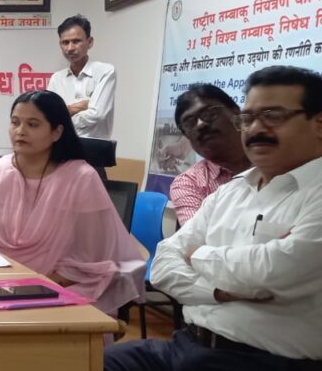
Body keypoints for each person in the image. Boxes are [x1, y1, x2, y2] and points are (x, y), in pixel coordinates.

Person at [104, 65, 322, 370]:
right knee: (89, 361)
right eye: (249, 118)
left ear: (318, 124)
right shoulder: (230, 192)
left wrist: (198, 255)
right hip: (187, 344)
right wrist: (218, 290)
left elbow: (277, 270)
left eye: (273, 116)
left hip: (262, 360)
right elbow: (165, 262)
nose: (256, 129)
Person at [0, 90, 143, 314]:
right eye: (15, 122)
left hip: (58, 287)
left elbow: (90, 258)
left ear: (56, 132)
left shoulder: (81, 178)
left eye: (33, 124)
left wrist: (35, 286)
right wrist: (0, 285)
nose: (20, 131)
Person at [169, 84, 251, 227]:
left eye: (209, 113)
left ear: (236, 113)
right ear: (187, 136)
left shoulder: (272, 158)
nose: (200, 125)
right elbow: (197, 239)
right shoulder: (190, 183)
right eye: (189, 123)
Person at [48, 15, 116, 139]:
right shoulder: (56, 79)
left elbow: (97, 115)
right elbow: (50, 118)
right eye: (65, 42)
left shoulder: (105, 71)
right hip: (63, 147)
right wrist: (82, 106)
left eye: (76, 41)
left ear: (90, 42)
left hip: (95, 147)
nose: (70, 48)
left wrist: (64, 117)